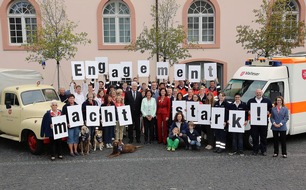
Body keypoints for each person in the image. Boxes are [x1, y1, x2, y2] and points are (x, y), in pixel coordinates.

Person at [247, 89, 272, 156]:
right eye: (257, 93)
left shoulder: (267, 101)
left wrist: (269, 112)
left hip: (263, 122)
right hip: (254, 122)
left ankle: (263, 150)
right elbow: (247, 109)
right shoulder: (251, 101)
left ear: (262, 93)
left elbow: (271, 108)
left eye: (260, 93)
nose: (258, 94)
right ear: (255, 93)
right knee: (254, 136)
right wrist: (248, 112)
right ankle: (255, 150)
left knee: (263, 136)